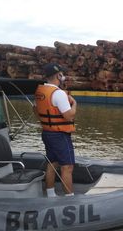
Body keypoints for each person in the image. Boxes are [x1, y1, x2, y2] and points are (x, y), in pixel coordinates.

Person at [34, 63, 77, 197]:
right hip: (59, 134)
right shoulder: (58, 94)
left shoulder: (40, 91)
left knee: (52, 163)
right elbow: (69, 115)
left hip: (47, 132)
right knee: (67, 167)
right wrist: (75, 104)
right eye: (62, 74)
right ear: (59, 75)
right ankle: (69, 199)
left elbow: (35, 110)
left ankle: (50, 194)